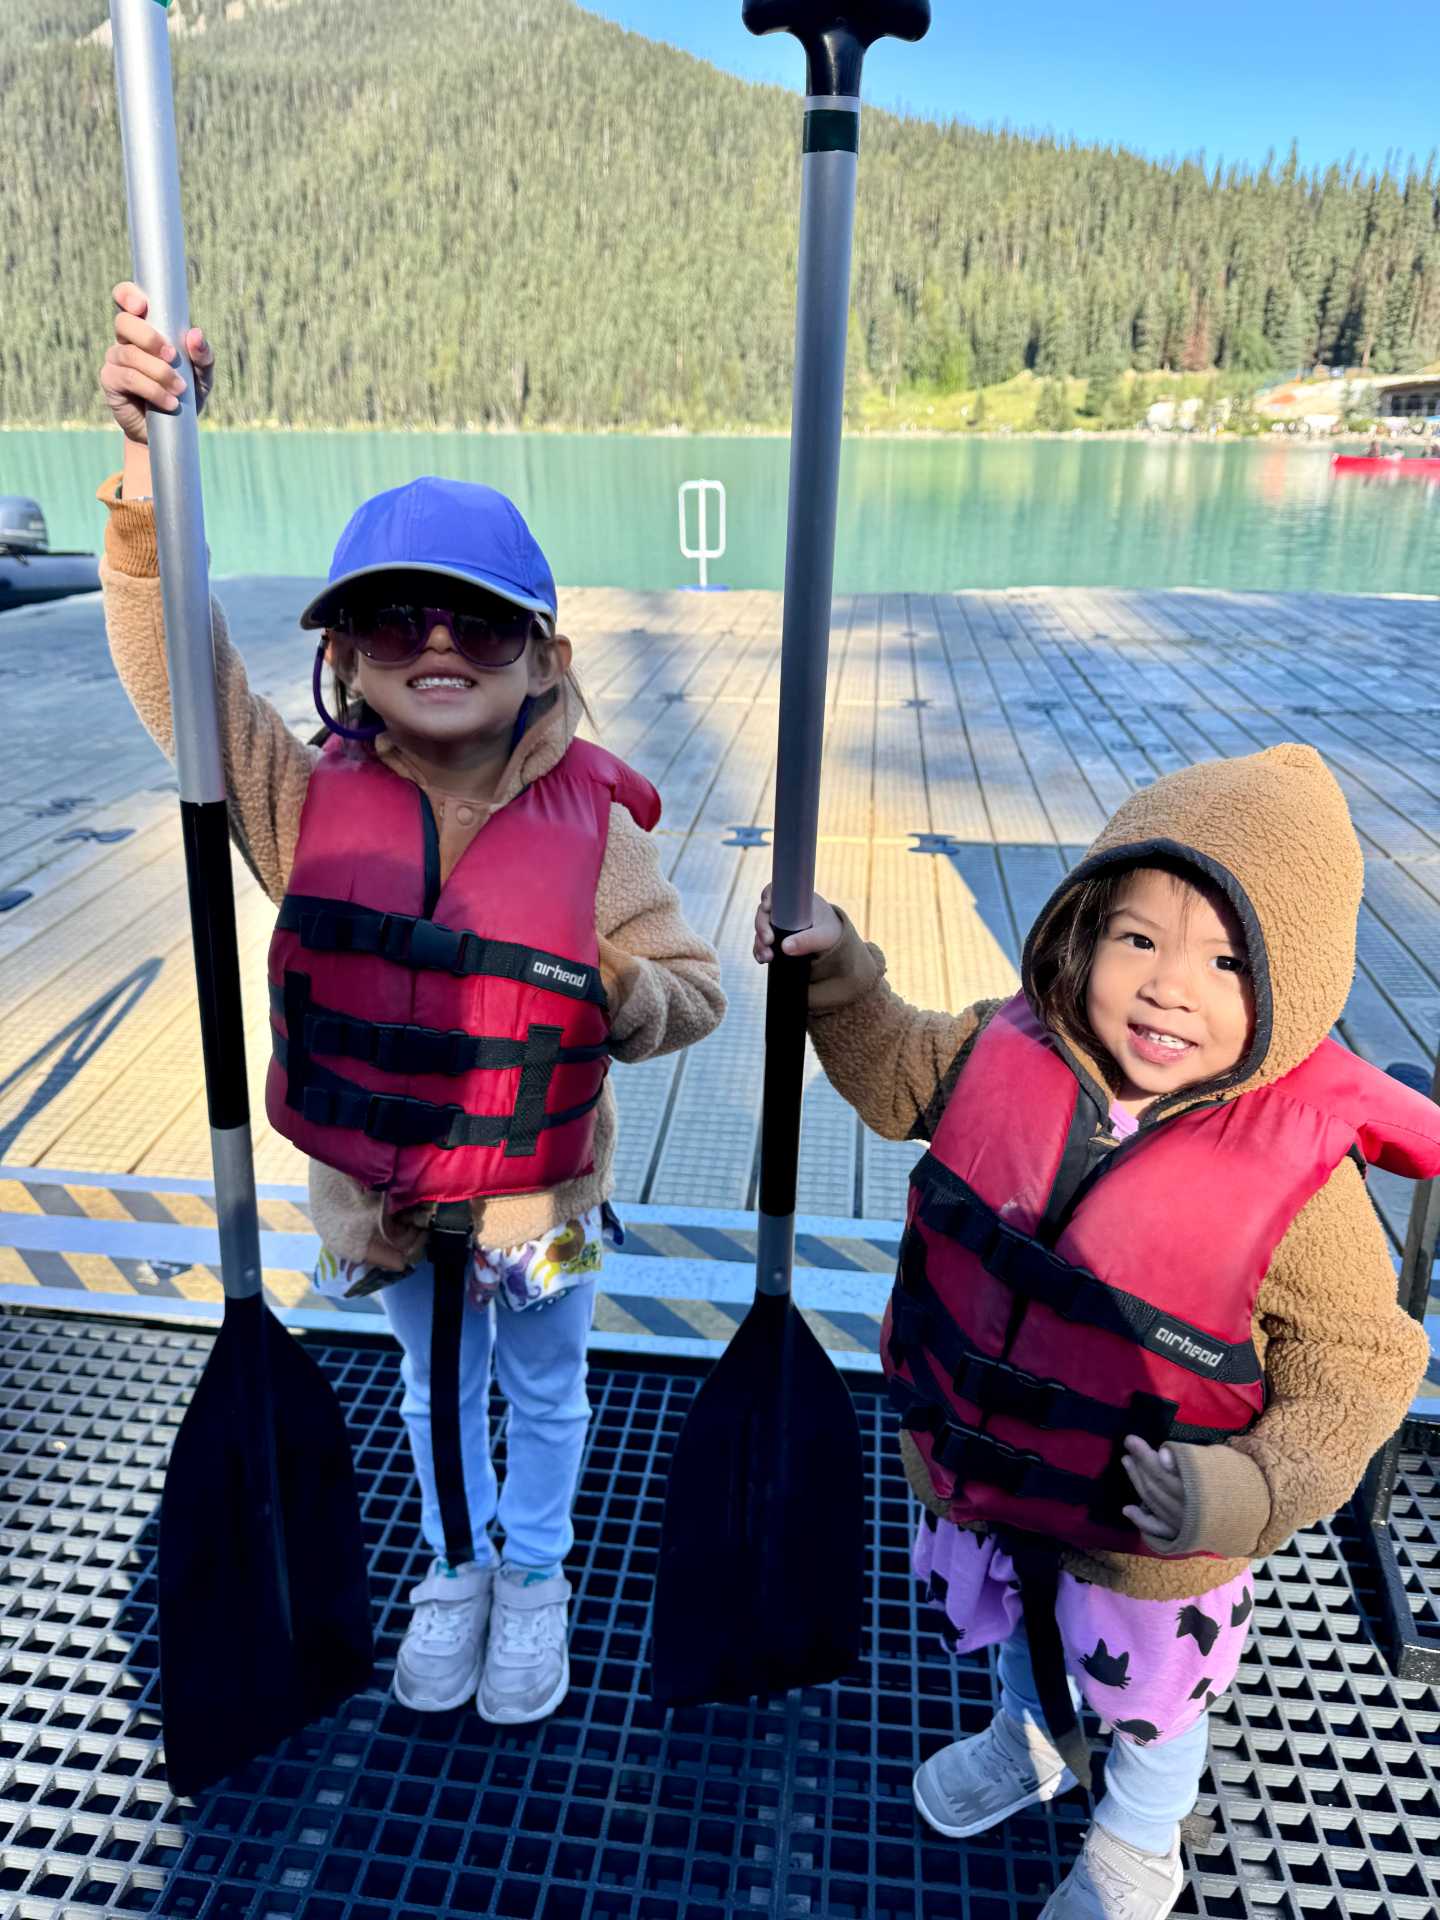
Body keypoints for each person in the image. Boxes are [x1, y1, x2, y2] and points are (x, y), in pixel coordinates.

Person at [98, 283, 726, 1726]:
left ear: (545, 657)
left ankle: (539, 1572)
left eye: (480, 625)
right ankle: (454, 1566)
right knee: (432, 1392)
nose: (435, 646)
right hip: (377, 1198)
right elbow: (177, 683)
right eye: (392, 621)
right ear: (345, 655)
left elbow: (690, 989)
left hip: (539, 1198)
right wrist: (144, 485)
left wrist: (614, 992)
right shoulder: (303, 797)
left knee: (549, 1387)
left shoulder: (598, 822)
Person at [755, 744, 1437, 1919]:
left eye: (1229, 961)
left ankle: (1139, 1831)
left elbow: (1361, 1364)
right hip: (985, 1476)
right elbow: (892, 1064)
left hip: (1154, 1535)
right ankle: (1028, 1737)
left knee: (1159, 1699)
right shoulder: (1000, 1047)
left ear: (1299, 983)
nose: (1172, 986)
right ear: (1081, 931)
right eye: (1139, 939)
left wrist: (1248, 1490)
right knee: (1019, 1631)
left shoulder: (1302, 1183)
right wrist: (838, 977)